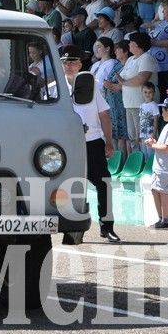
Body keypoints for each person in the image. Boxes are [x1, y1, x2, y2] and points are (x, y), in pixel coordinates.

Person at [60, 44, 120, 244]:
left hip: (92, 141)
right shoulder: (54, 88)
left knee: (104, 183)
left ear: (80, 64)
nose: (69, 65)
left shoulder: (92, 85)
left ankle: (107, 226)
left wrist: (109, 141)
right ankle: (74, 228)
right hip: (68, 143)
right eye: (65, 62)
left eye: (73, 62)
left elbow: (104, 114)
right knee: (73, 186)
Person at [116, 32, 157, 152]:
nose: (129, 44)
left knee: (144, 136)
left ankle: (147, 161)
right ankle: (137, 162)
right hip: (129, 103)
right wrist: (119, 83)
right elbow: (121, 78)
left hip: (142, 104)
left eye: (131, 42)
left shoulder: (146, 58)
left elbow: (141, 78)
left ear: (138, 45)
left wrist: (123, 82)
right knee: (133, 136)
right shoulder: (130, 59)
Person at [146, 99, 168, 229]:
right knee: (155, 190)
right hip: (160, 167)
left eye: (164, 110)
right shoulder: (167, 126)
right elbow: (162, 145)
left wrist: (153, 144)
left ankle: (166, 220)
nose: (162, 113)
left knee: (163, 191)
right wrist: (154, 142)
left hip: (167, 167)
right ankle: (160, 219)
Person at [95, 38, 128, 157]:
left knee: (124, 134)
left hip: (119, 102)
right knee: (113, 133)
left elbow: (122, 83)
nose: (116, 51)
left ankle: (125, 160)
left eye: (118, 49)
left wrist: (112, 85)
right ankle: (114, 158)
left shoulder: (117, 64)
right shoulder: (98, 64)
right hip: (110, 102)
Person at [138, 82, 160, 158]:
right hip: (143, 134)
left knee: (151, 154)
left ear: (154, 93)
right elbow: (140, 121)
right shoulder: (141, 106)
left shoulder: (154, 105)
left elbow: (156, 121)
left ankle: (151, 169)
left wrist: (153, 135)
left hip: (150, 135)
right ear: (142, 92)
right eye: (145, 92)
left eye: (150, 92)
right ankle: (146, 169)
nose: (147, 94)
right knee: (144, 154)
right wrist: (138, 134)